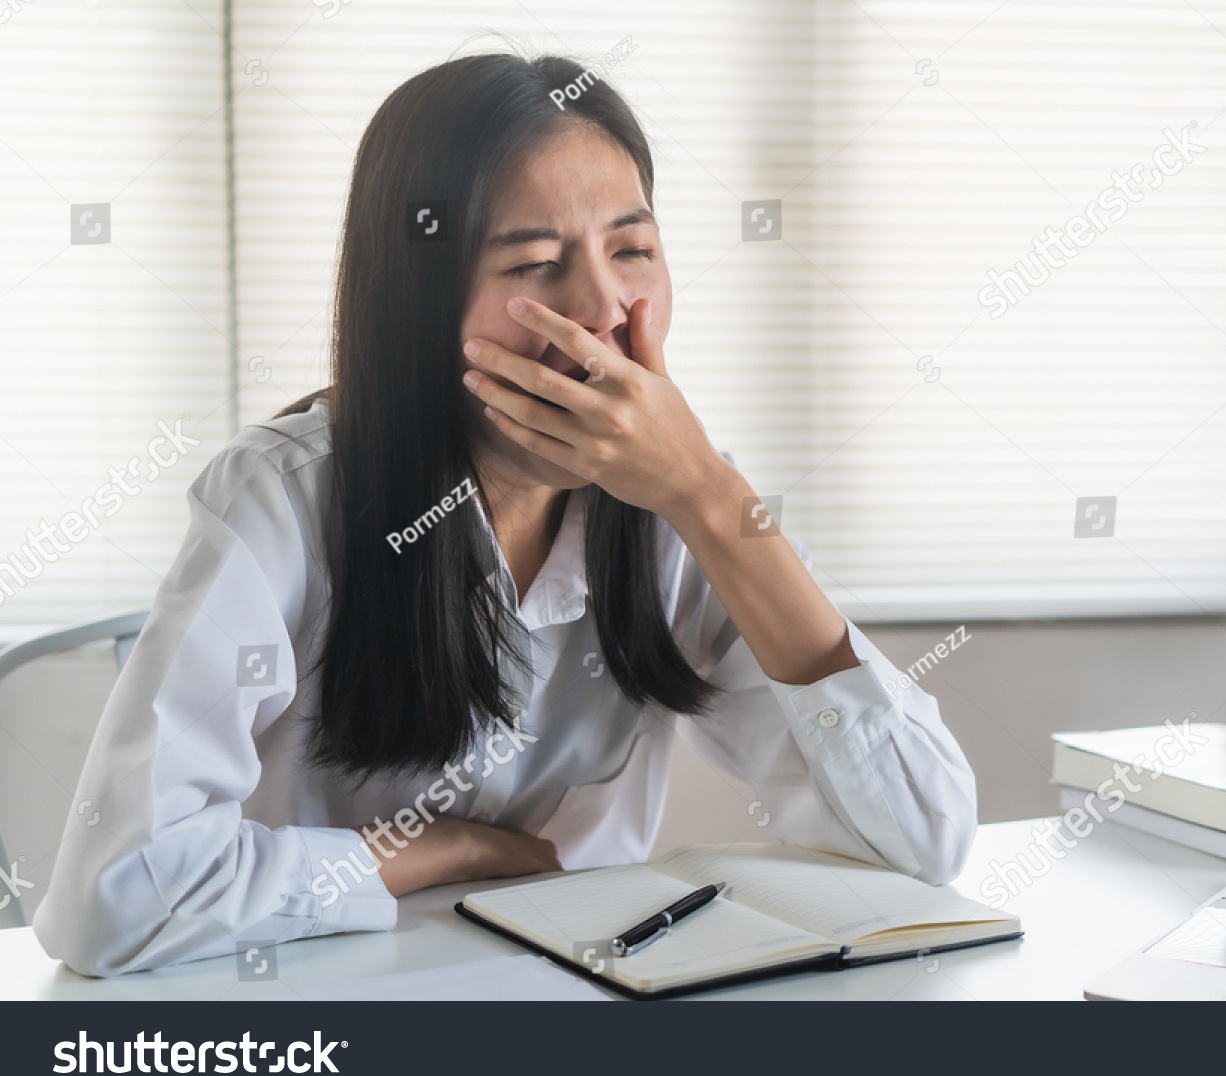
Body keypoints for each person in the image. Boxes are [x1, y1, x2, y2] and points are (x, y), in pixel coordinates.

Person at [33, 53, 977, 978]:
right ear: (418, 299)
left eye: (634, 250)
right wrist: (444, 848)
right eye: (536, 263)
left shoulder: (676, 503)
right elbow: (113, 896)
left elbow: (924, 836)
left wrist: (710, 500)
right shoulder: (286, 500)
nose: (605, 309)